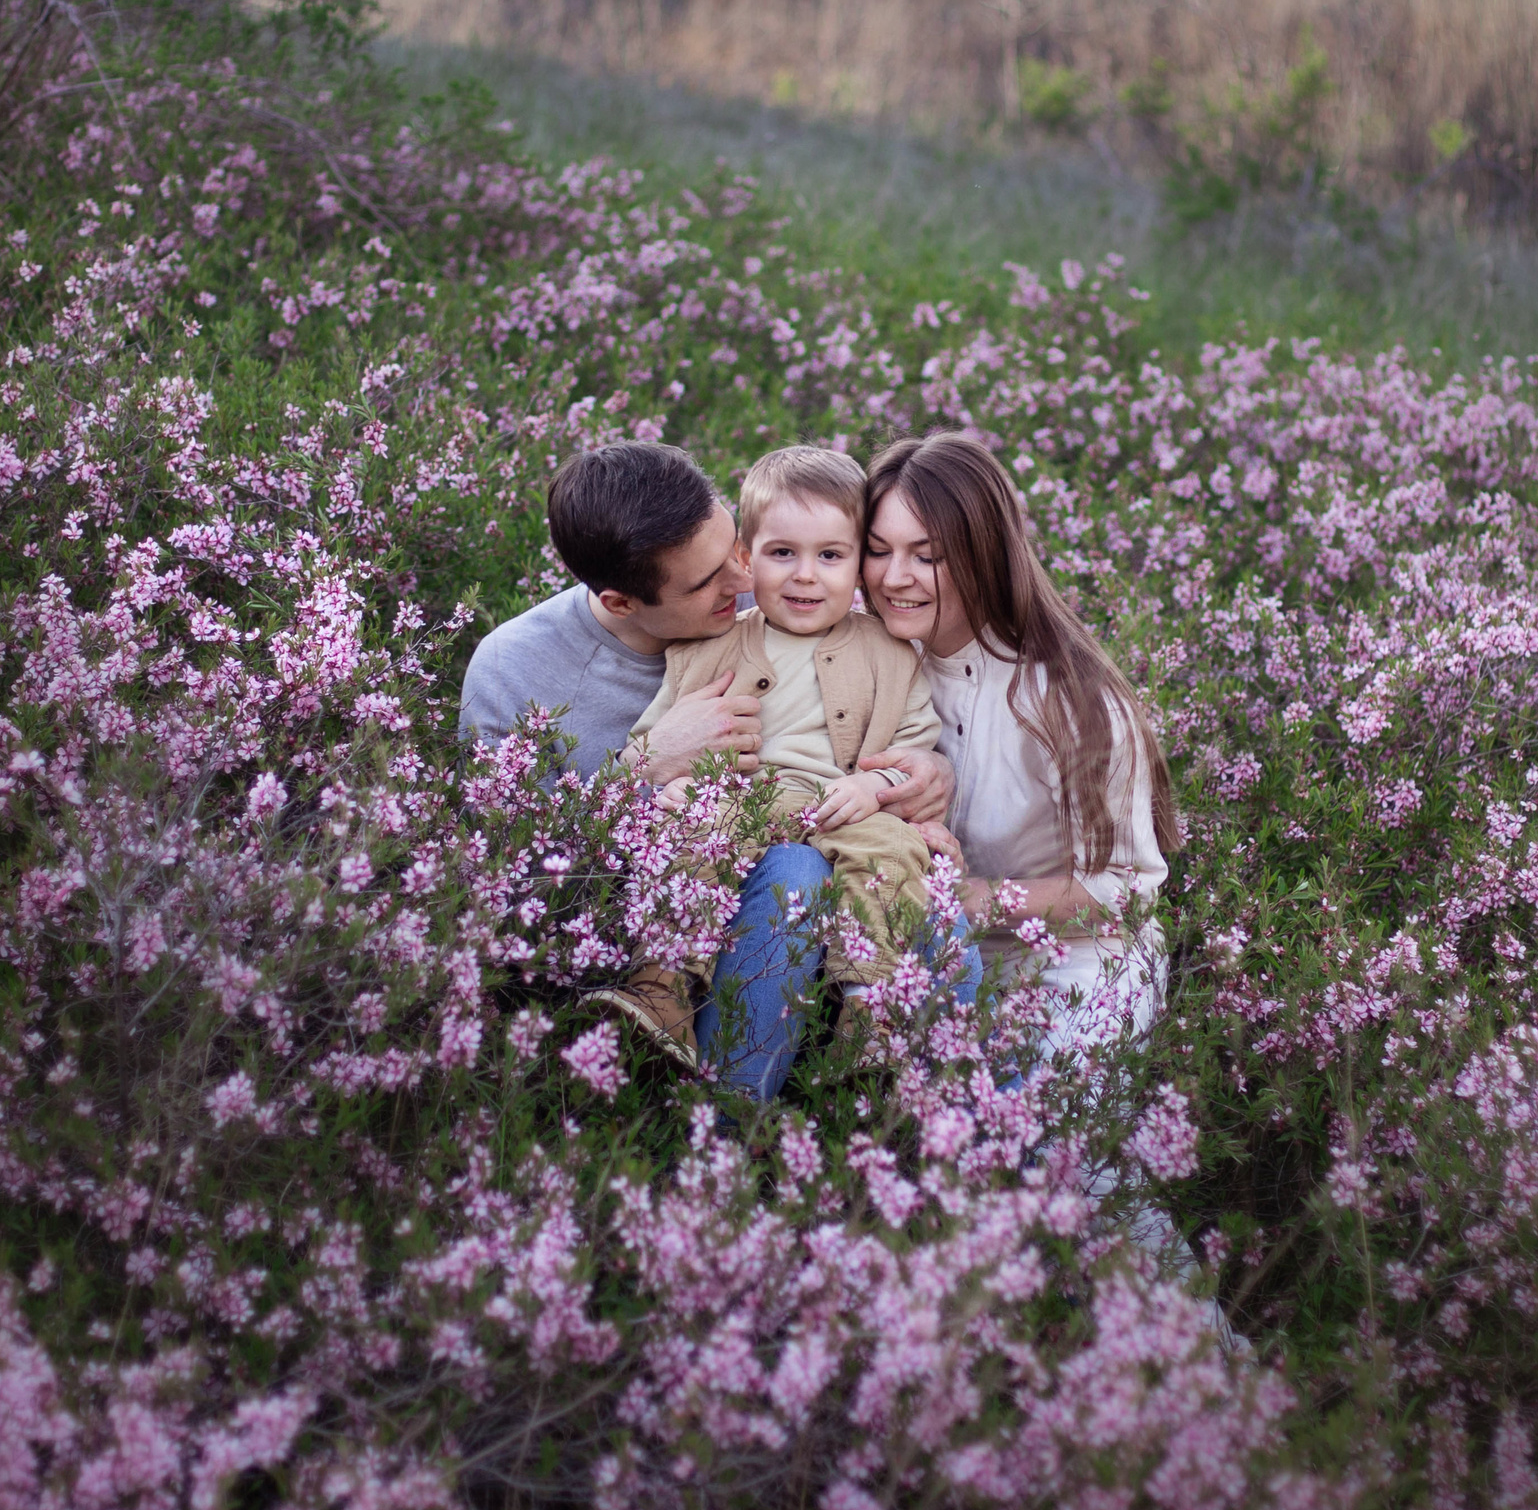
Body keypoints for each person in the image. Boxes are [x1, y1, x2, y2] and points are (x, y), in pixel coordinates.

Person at [457, 439, 952, 1095]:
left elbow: (894, 722)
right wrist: (648, 765)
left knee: (838, 874)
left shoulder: (782, 604)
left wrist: (918, 773)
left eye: (737, 552)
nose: (747, 582)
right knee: (791, 871)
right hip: (629, 928)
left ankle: (821, 1057)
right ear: (622, 601)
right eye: (708, 581)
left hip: (816, 888)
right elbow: (514, 889)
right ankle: (702, 1099)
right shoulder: (514, 672)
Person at [615, 445, 972, 1046]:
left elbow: (914, 750)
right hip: (741, 802)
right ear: (746, 558)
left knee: (892, 852)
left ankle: (870, 1001)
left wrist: (872, 786)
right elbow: (652, 744)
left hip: (841, 810)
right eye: (783, 553)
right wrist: (667, 781)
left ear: (860, 564)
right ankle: (664, 982)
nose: (806, 574)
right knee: (691, 835)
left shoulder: (891, 653)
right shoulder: (707, 647)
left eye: (831, 555)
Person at [858, 432, 1178, 1065]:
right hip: (924, 958)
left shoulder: (1070, 699)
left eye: (928, 556)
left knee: (1046, 1158)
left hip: (1076, 971)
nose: (895, 578)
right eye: (877, 550)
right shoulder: (868, 660)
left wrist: (966, 901)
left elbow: (1128, 890)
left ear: (987, 555)